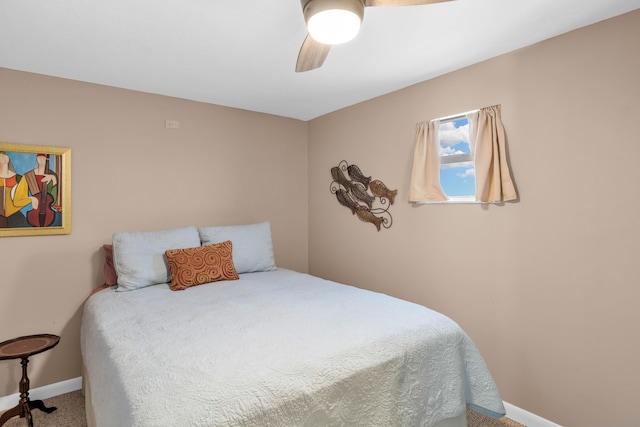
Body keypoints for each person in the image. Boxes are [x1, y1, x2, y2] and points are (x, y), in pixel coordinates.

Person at [0, 151, 38, 228]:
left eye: (4, 155)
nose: (3, 157)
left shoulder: (19, 178)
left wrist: (32, 199)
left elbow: (20, 200)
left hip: (14, 215)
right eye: (0, 156)